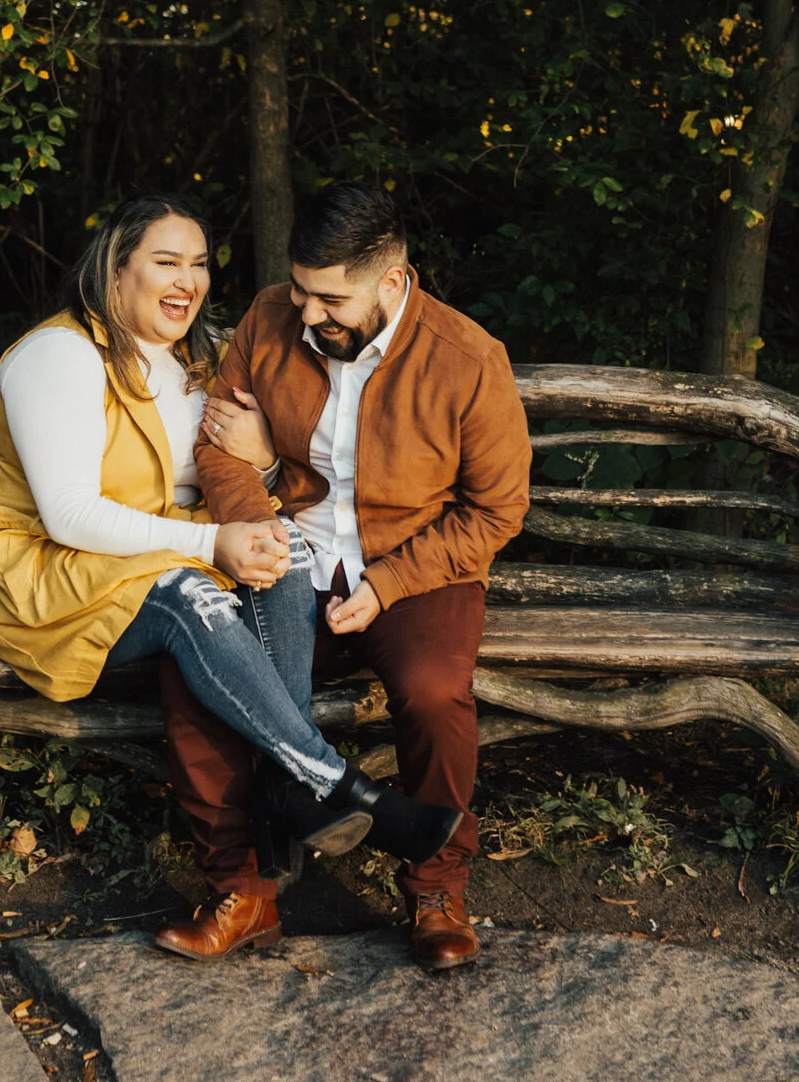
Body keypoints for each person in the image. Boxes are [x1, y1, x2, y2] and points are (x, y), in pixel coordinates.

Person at [0, 191, 461, 962]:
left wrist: (259, 475)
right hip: (52, 575)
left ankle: (283, 810)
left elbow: (234, 480)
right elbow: (66, 516)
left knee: (283, 546)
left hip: (150, 555)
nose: (187, 281)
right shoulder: (58, 356)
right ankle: (327, 780)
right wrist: (212, 546)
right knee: (194, 595)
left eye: (198, 265)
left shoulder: (194, 360)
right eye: (165, 262)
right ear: (115, 268)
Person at [159, 182, 532, 970]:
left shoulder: (468, 360)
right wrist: (253, 522)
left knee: (434, 691)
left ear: (390, 282)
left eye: (329, 298)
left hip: (417, 570)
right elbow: (219, 445)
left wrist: (388, 586)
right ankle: (245, 891)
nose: (306, 313)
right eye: (299, 290)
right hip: (286, 557)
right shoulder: (266, 321)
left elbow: (494, 512)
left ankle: (434, 887)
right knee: (199, 675)